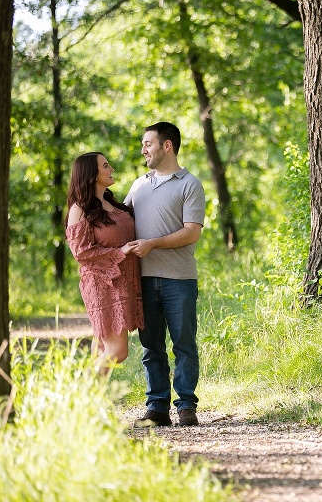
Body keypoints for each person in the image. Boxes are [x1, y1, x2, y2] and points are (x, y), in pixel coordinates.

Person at [125, 121, 206, 428]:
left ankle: (186, 405)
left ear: (166, 145)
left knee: (184, 343)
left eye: (148, 143)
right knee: (151, 346)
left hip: (179, 280)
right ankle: (157, 406)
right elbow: (119, 219)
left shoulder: (190, 184)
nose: (143, 149)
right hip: (143, 280)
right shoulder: (139, 185)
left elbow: (191, 233)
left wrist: (153, 244)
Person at [65, 152, 144, 377]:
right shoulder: (80, 208)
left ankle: (90, 407)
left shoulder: (111, 202)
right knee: (117, 351)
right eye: (106, 166)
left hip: (124, 283)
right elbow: (82, 252)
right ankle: (77, 398)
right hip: (102, 286)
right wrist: (121, 251)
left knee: (102, 347)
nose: (112, 170)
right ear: (91, 174)